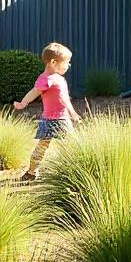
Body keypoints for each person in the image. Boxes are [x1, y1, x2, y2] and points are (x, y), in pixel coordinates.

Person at [13, 41, 81, 180]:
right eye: (66, 62)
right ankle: (72, 171)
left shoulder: (55, 78)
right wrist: (23, 103)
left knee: (43, 145)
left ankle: (31, 172)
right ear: (53, 62)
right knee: (71, 145)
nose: (68, 65)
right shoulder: (49, 79)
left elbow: (64, 99)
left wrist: (72, 113)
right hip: (59, 120)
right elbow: (35, 92)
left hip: (51, 118)